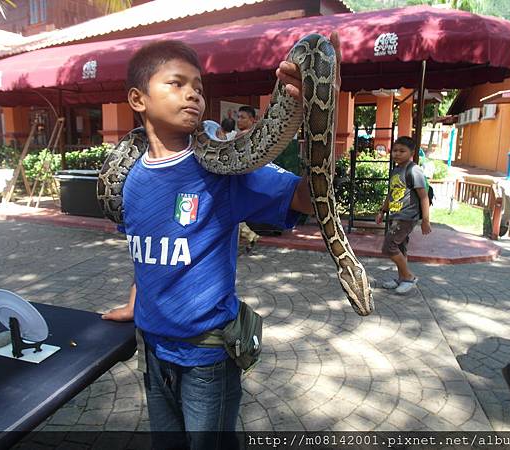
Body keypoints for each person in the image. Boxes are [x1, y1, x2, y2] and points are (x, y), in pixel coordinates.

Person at [101, 35, 338, 449]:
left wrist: (322, 106)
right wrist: (136, 300)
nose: (193, 93)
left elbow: (306, 197)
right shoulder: (130, 180)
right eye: (177, 83)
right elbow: (144, 250)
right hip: (154, 349)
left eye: (199, 87)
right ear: (138, 100)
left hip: (207, 357)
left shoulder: (222, 172)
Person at [376, 136, 432, 294]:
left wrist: (425, 221)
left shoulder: (414, 170)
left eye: (402, 151)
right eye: (395, 150)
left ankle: (409, 277)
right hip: (395, 215)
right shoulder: (396, 170)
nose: (397, 154)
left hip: (407, 217)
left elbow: (423, 196)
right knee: (400, 247)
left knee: (388, 247)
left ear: (412, 153)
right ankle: (401, 279)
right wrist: (382, 211)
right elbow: (391, 193)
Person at [235, 105, 261, 252]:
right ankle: (250, 236)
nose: (239, 120)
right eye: (238, 117)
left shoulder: (242, 135)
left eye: (242, 117)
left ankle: (248, 237)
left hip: (244, 179)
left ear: (252, 119)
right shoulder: (257, 133)